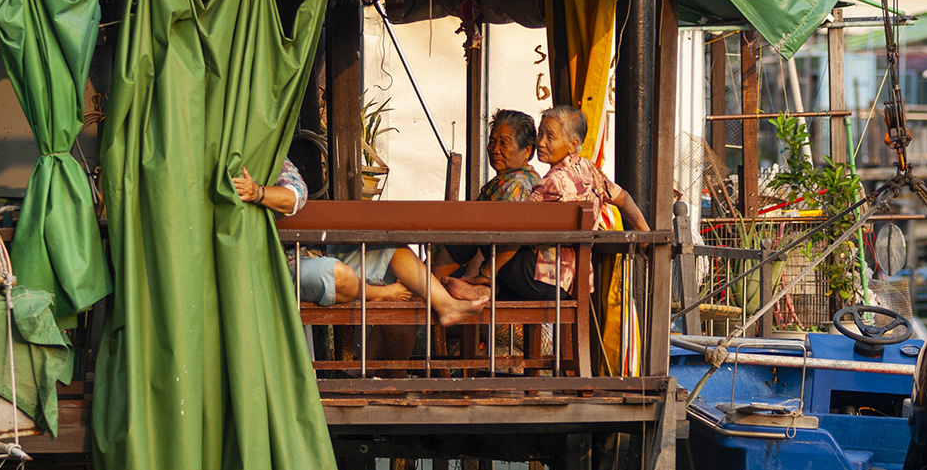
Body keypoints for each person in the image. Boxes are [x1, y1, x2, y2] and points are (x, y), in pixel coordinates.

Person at [234, 159, 487, 327]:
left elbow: (296, 194)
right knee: (335, 274)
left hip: (309, 249)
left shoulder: (270, 154)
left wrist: (258, 193)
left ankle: (447, 305)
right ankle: (379, 294)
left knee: (392, 250)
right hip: (272, 263)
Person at [452, 105, 648, 300]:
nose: (541, 142)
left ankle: (444, 283)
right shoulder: (591, 171)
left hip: (540, 280)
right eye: (540, 134)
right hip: (574, 283)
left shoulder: (550, 183)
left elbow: (517, 234)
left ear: (572, 145)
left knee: (488, 235)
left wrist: (486, 274)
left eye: (550, 137)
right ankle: (488, 289)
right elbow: (624, 198)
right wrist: (644, 232)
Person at [435, 109, 541, 291]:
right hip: (522, 272)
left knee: (467, 235)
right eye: (492, 142)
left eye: (504, 144)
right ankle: (427, 281)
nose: (495, 149)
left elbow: (503, 236)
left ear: (527, 151)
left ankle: (425, 282)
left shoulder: (516, 184)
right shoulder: (518, 179)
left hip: (527, 274)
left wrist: (484, 275)